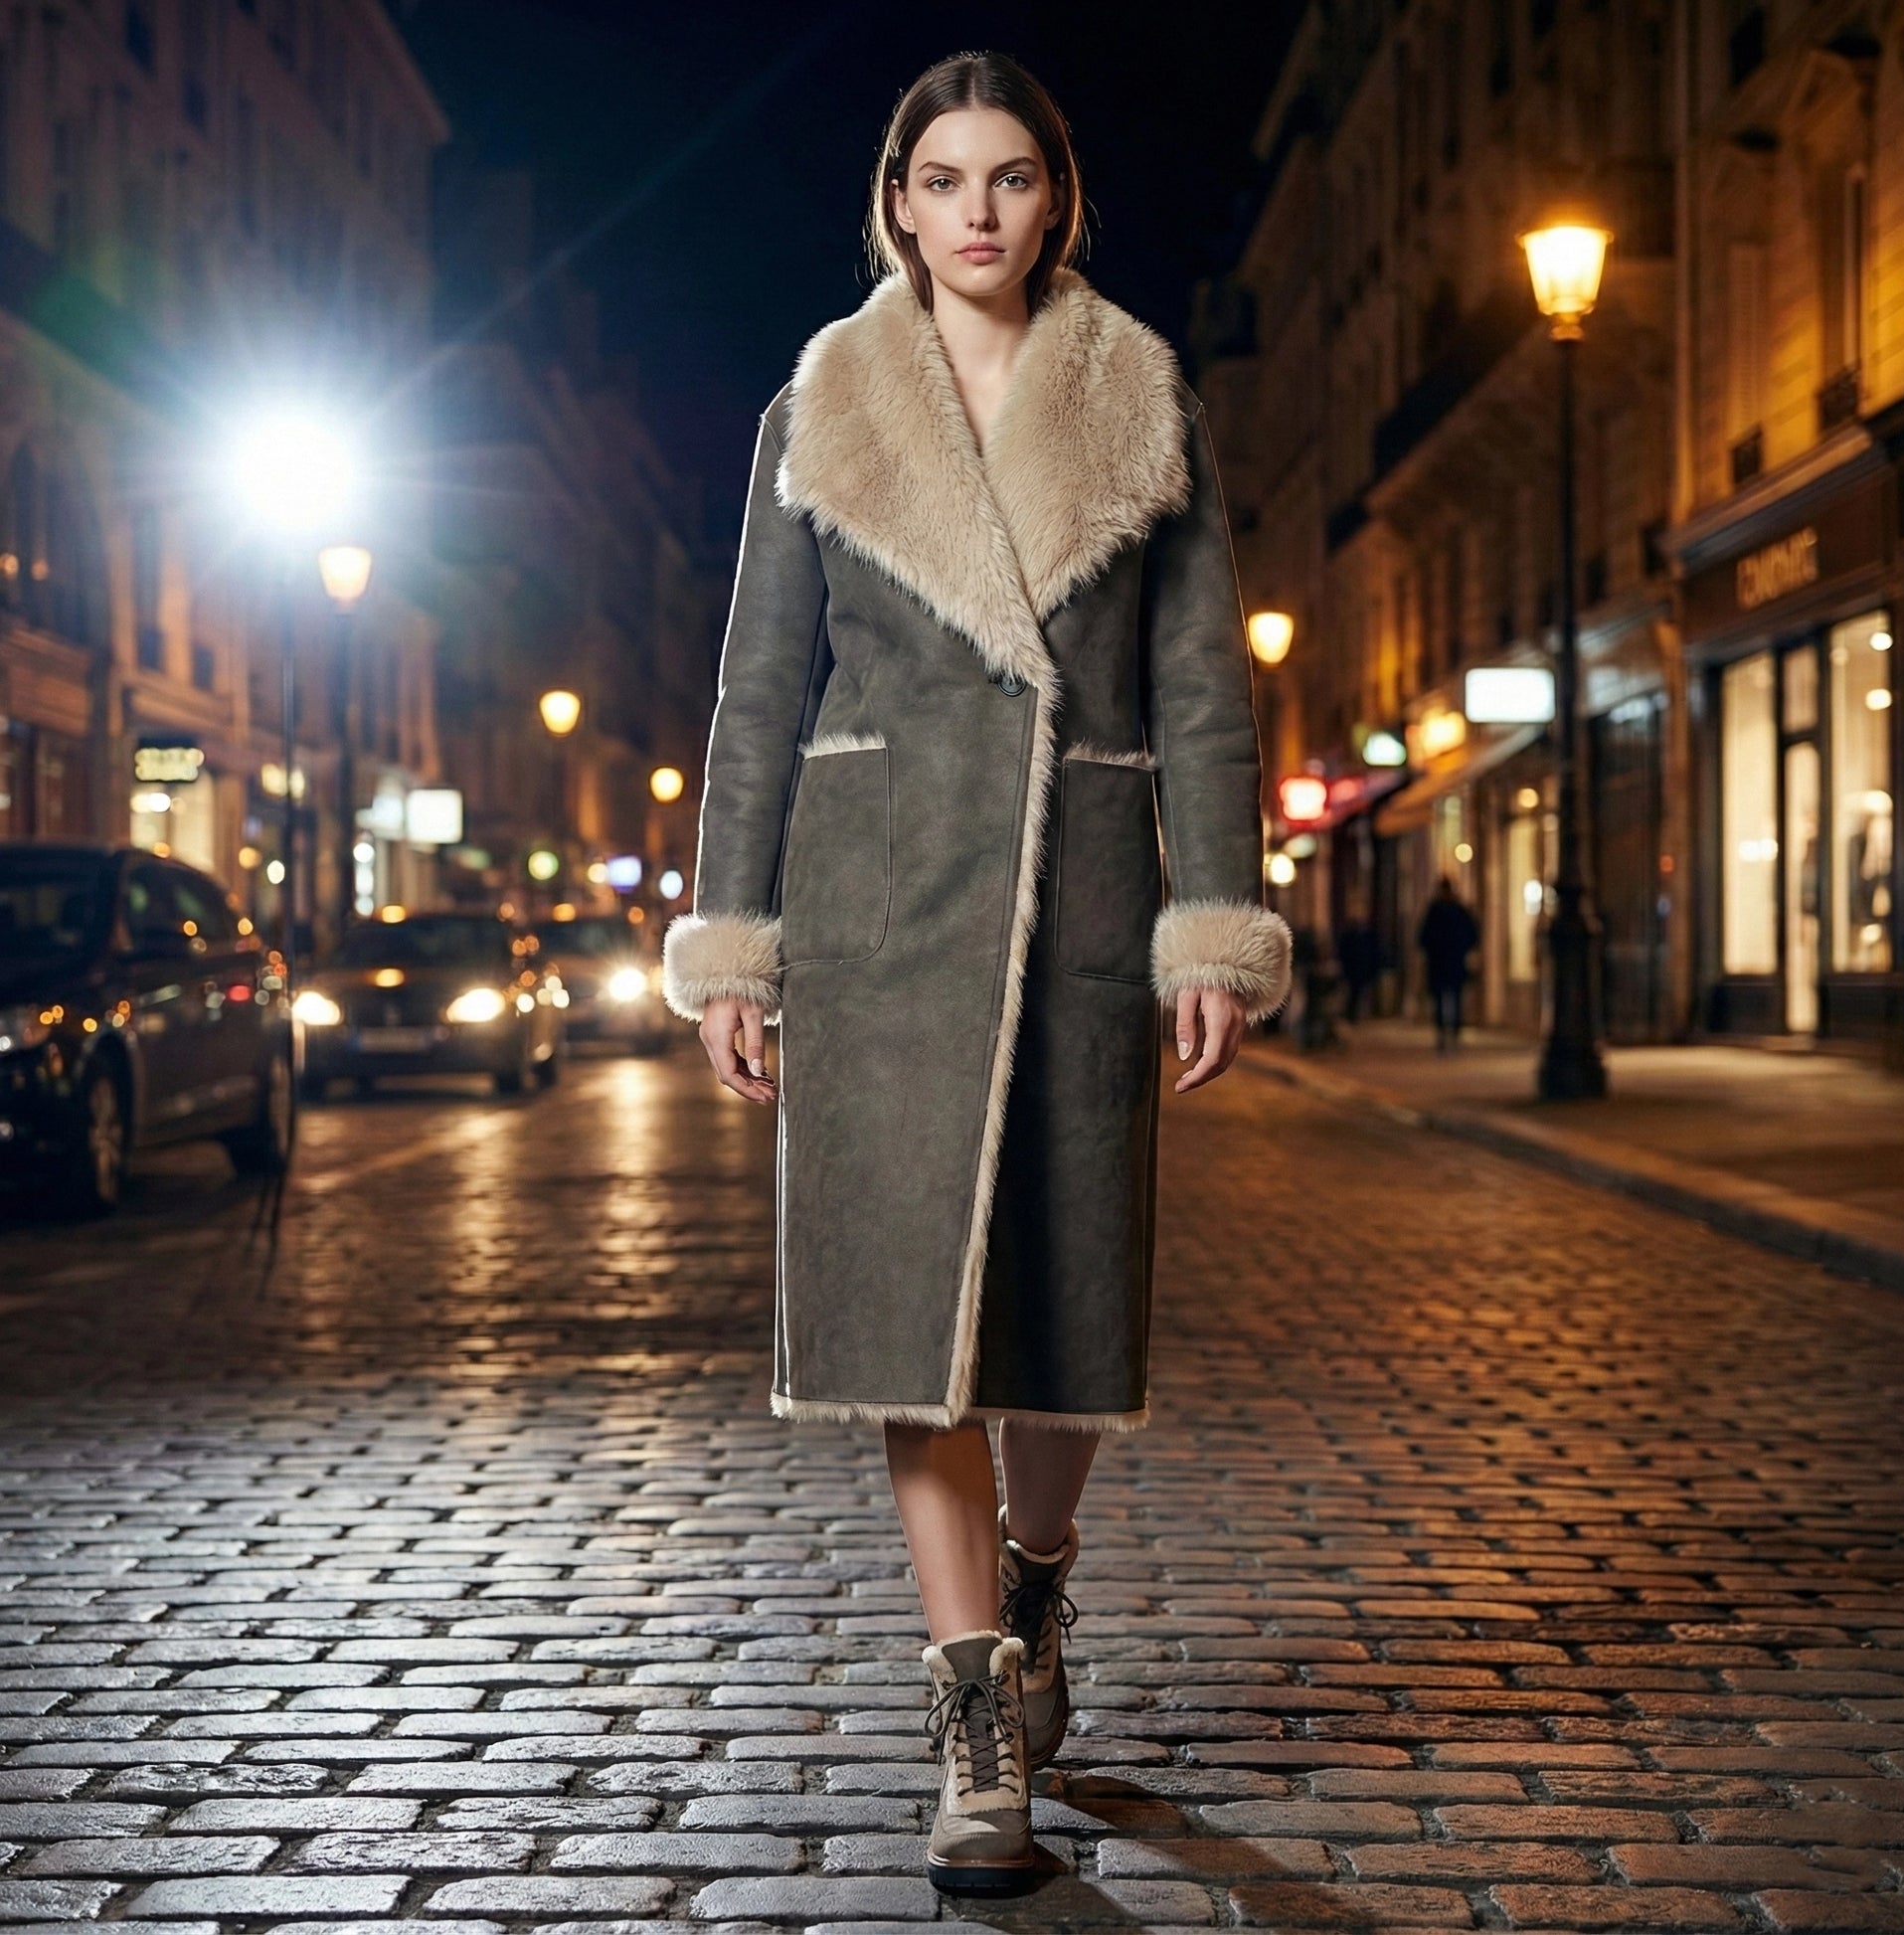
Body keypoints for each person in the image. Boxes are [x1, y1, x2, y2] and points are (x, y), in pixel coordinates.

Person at [661, 51, 1291, 1894]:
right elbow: (758, 690)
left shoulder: (1140, 392)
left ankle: (1036, 1583)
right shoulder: (823, 402)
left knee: (1067, 1316)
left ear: (1055, 198)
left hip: (1083, 891)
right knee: (901, 1316)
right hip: (874, 906)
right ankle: (967, 1714)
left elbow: (1201, 687)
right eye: (944, 180)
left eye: (1010, 178)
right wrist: (734, 940)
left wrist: (1213, 925)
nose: (980, 213)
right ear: (897, 203)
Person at [1418, 875, 1479, 1050]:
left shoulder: (1438, 911)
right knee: (1453, 999)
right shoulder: (1456, 910)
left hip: (1443, 964)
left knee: (1445, 1000)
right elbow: (1473, 935)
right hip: (1452, 963)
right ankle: (1450, 1033)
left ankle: (1446, 1033)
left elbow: (1422, 938)